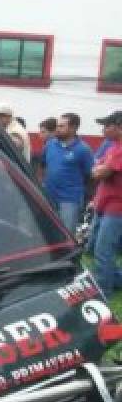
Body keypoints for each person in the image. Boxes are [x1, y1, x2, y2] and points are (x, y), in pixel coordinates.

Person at [42, 113, 95, 231]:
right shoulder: (50, 144)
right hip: (49, 196)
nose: (57, 129)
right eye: (57, 126)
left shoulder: (83, 149)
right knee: (47, 232)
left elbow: (91, 175)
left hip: (70, 200)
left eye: (61, 126)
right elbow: (43, 166)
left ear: (73, 128)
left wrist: (87, 197)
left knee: (66, 234)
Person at [90, 137, 122, 296]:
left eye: (107, 125)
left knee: (103, 251)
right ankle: (115, 281)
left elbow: (101, 173)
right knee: (105, 249)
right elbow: (96, 166)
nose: (103, 130)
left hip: (116, 208)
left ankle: (104, 291)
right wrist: (99, 168)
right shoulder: (113, 146)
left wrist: (100, 169)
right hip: (105, 204)